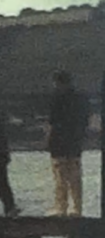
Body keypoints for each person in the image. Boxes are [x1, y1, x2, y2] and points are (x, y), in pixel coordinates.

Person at [47, 70, 90, 217]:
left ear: (58, 83)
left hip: (59, 143)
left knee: (60, 177)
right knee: (75, 177)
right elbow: (86, 121)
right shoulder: (81, 99)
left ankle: (61, 207)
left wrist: (47, 140)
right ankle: (77, 208)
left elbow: (52, 123)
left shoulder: (56, 99)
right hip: (75, 143)